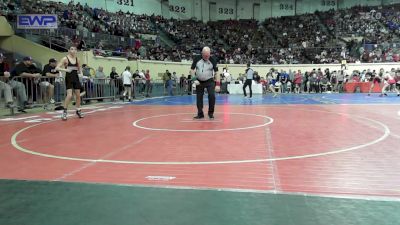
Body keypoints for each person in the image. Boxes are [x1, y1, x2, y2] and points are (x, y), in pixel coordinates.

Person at [191, 46, 220, 120]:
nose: (207, 57)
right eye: (205, 55)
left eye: (208, 55)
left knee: (212, 96)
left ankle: (210, 113)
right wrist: (194, 80)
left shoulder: (212, 60)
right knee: (199, 97)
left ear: (210, 54)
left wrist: (218, 85)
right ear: (202, 53)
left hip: (209, 80)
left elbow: (217, 73)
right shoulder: (197, 59)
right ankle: (200, 114)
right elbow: (192, 70)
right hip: (199, 81)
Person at [56, 46, 84, 120]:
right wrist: (66, 70)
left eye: (75, 49)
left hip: (76, 78)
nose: (73, 50)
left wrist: (81, 73)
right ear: (69, 50)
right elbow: (57, 68)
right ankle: (64, 112)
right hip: (69, 78)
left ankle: (78, 110)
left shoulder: (78, 59)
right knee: (69, 95)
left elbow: (80, 68)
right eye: (72, 49)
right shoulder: (65, 58)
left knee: (78, 95)